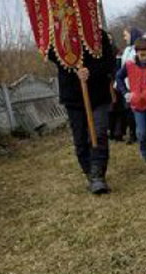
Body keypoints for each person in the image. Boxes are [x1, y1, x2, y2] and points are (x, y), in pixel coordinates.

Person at [47, 29, 116, 194]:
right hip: (73, 96)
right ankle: (90, 174)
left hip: (98, 95)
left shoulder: (98, 34)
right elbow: (51, 54)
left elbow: (109, 62)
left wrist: (90, 71)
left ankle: (99, 175)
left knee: (98, 134)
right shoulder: (55, 34)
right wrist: (73, 68)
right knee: (80, 139)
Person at [115, 37, 146, 167]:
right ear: (136, 53)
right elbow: (119, 77)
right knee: (141, 133)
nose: (145, 58)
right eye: (142, 55)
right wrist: (125, 93)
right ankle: (145, 153)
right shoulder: (130, 65)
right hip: (136, 104)